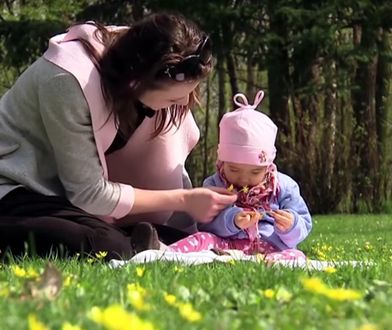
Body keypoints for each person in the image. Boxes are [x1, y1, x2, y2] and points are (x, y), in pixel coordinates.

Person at [0, 12, 237, 261]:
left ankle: (134, 241)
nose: (184, 103)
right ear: (136, 84)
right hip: (14, 189)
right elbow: (89, 193)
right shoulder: (67, 81)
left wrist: (190, 219)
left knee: (178, 241)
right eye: (172, 98)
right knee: (107, 247)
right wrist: (184, 200)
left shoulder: (141, 63)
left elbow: (169, 162)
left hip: (64, 200)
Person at [169, 90, 312, 263]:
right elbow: (204, 223)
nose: (243, 180)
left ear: (267, 167)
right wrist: (232, 220)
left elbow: (304, 224)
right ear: (222, 162)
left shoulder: (283, 186)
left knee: (296, 255)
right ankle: (166, 255)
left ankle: (274, 263)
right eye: (234, 170)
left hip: (271, 246)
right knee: (201, 238)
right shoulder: (215, 184)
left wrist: (291, 226)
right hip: (225, 245)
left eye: (255, 172)